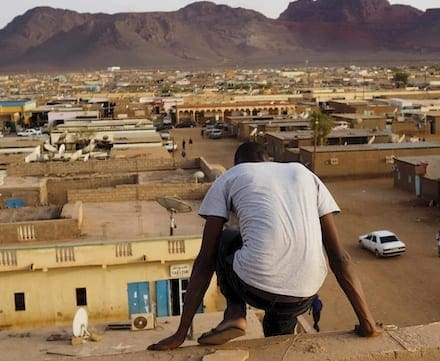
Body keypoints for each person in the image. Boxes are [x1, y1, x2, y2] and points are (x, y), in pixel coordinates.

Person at [148, 142, 380, 350]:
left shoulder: (231, 176)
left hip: (253, 287)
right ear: (268, 159)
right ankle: (277, 344)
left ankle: (235, 313)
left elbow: (205, 261)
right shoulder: (304, 174)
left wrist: (180, 334)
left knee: (227, 237)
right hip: (304, 293)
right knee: (277, 333)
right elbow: (340, 258)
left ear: (237, 163)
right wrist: (367, 321)